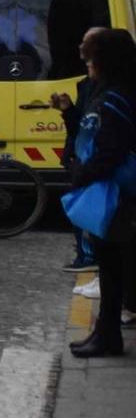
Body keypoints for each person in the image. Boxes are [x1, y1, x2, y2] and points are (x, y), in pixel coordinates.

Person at [66, 28, 136, 357]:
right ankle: (104, 333)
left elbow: (111, 149)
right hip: (113, 190)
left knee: (111, 267)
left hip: (117, 193)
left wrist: (83, 174)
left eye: (92, 57)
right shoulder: (112, 91)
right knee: (110, 267)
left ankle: (107, 336)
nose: (87, 63)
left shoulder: (117, 97)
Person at [53, 26, 110, 273]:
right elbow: (81, 125)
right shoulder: (88, 84)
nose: (80, 47)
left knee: (93, 211)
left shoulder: (110, 90)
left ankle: (91, 258)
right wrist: (67, 110)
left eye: (86, 41)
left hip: (94, 161)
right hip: (82, 157)